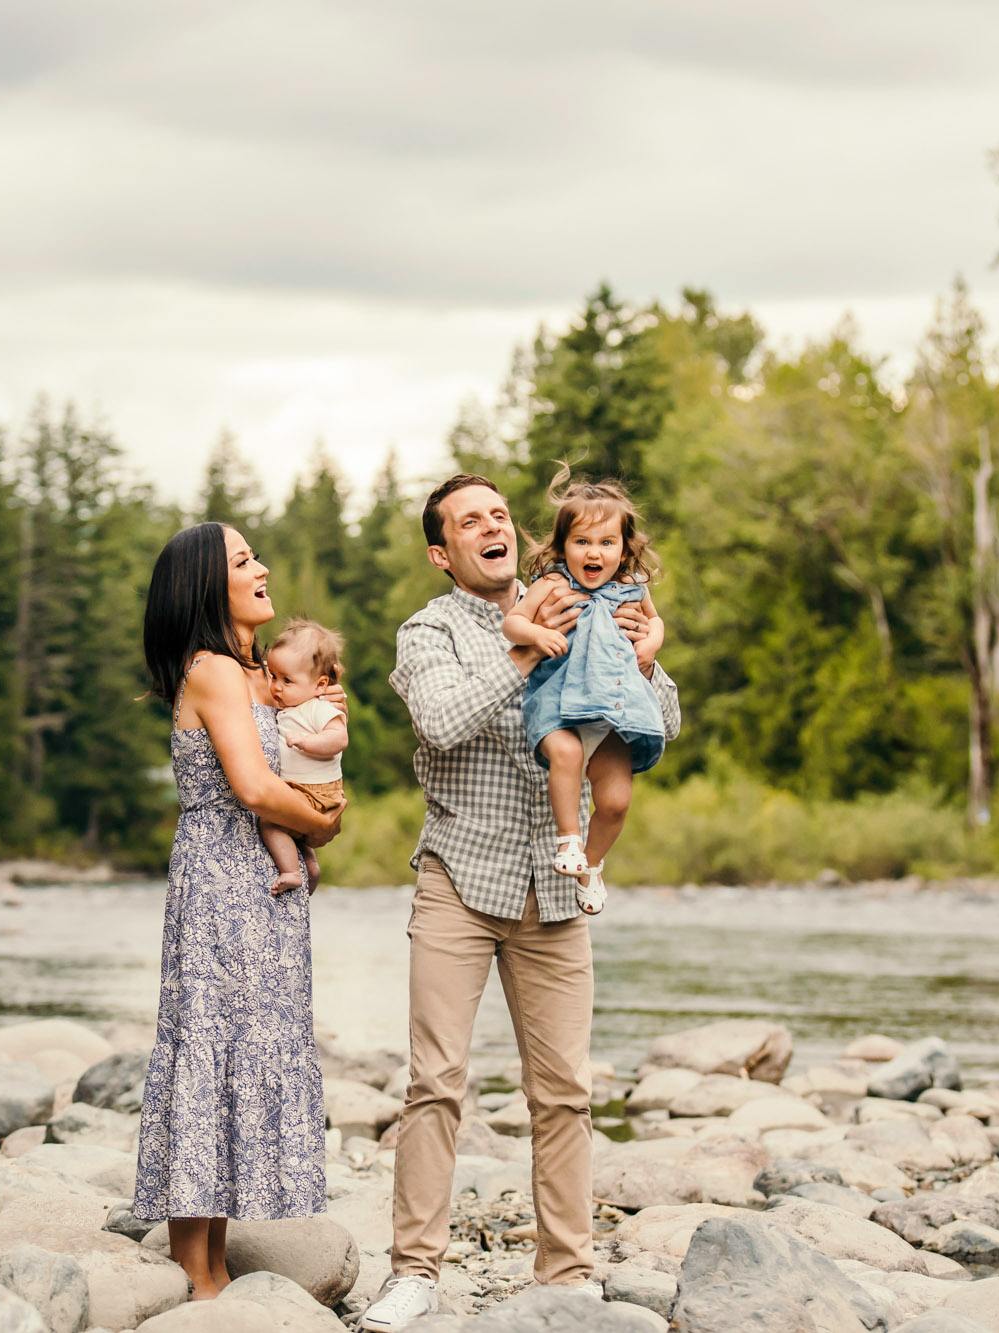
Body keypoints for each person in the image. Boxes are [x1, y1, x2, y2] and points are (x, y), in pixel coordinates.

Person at [361, 474, 681, 1331]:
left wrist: (645, 663)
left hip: (556, 877)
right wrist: (524, 649)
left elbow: (663, 721)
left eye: (499, 513)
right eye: (470, 521)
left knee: (566, 1091)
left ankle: (566, 1274)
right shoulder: (427, 630)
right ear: (444, 552)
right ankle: (414, 1273)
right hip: (461, 876)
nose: (491, 526)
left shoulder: (589, 594)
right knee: (436, 1081)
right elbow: (438, 719)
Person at [134, 522, 346, 1300]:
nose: (263, 568)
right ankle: (195, 1270)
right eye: (243, 560)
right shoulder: (214, 669)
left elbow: (304, 766)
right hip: (223, 880)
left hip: (266, 884)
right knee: (208, 1046)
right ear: (204, 588)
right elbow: (255, 790)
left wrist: (325, 744)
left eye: (258, 553)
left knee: (243, 1048)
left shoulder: (260, 677)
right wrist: (321, 822)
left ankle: (216, 1261)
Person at [501, 469, 667, 915]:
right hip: (557, 708)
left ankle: (591, 865)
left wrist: (649, 645)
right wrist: (535, 636)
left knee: (615, 801)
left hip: (613, 713)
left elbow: (655, 623)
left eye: (606, 543)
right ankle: (569, 839)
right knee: (568, 756)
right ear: (563, 548)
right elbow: (512, 622)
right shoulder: (552, 586)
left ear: (624, 549)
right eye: (582, 542)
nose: (594, 552)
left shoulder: (632, 589)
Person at [259, 618, 349, 892]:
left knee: (270, 822)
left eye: (287, 680)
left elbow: (339, 738)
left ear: (320, 684)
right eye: (273, 676)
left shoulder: (318, 708)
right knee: (291, 830)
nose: (276, 687)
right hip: (300, 789)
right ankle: (309, 867)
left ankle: (291, 871)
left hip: (316, 792)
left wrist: (307, 742)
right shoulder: (291, 707)